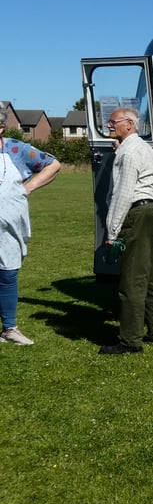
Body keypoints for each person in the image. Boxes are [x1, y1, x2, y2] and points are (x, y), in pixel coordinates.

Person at [100, 108, 153, 354]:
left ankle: (130, 341)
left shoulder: (128, 153)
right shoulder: (143, 147)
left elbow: (123, 194)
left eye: (113, 122)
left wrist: (112, 233)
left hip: (139, 214)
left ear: (129, 124)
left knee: (132, 279)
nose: (108, 125)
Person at [0, 104, 61, 345]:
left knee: (8, 274)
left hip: (9, 227)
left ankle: (9, 328)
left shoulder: (16, 149)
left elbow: (53, 164)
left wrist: (29, 187)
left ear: (1, 127)